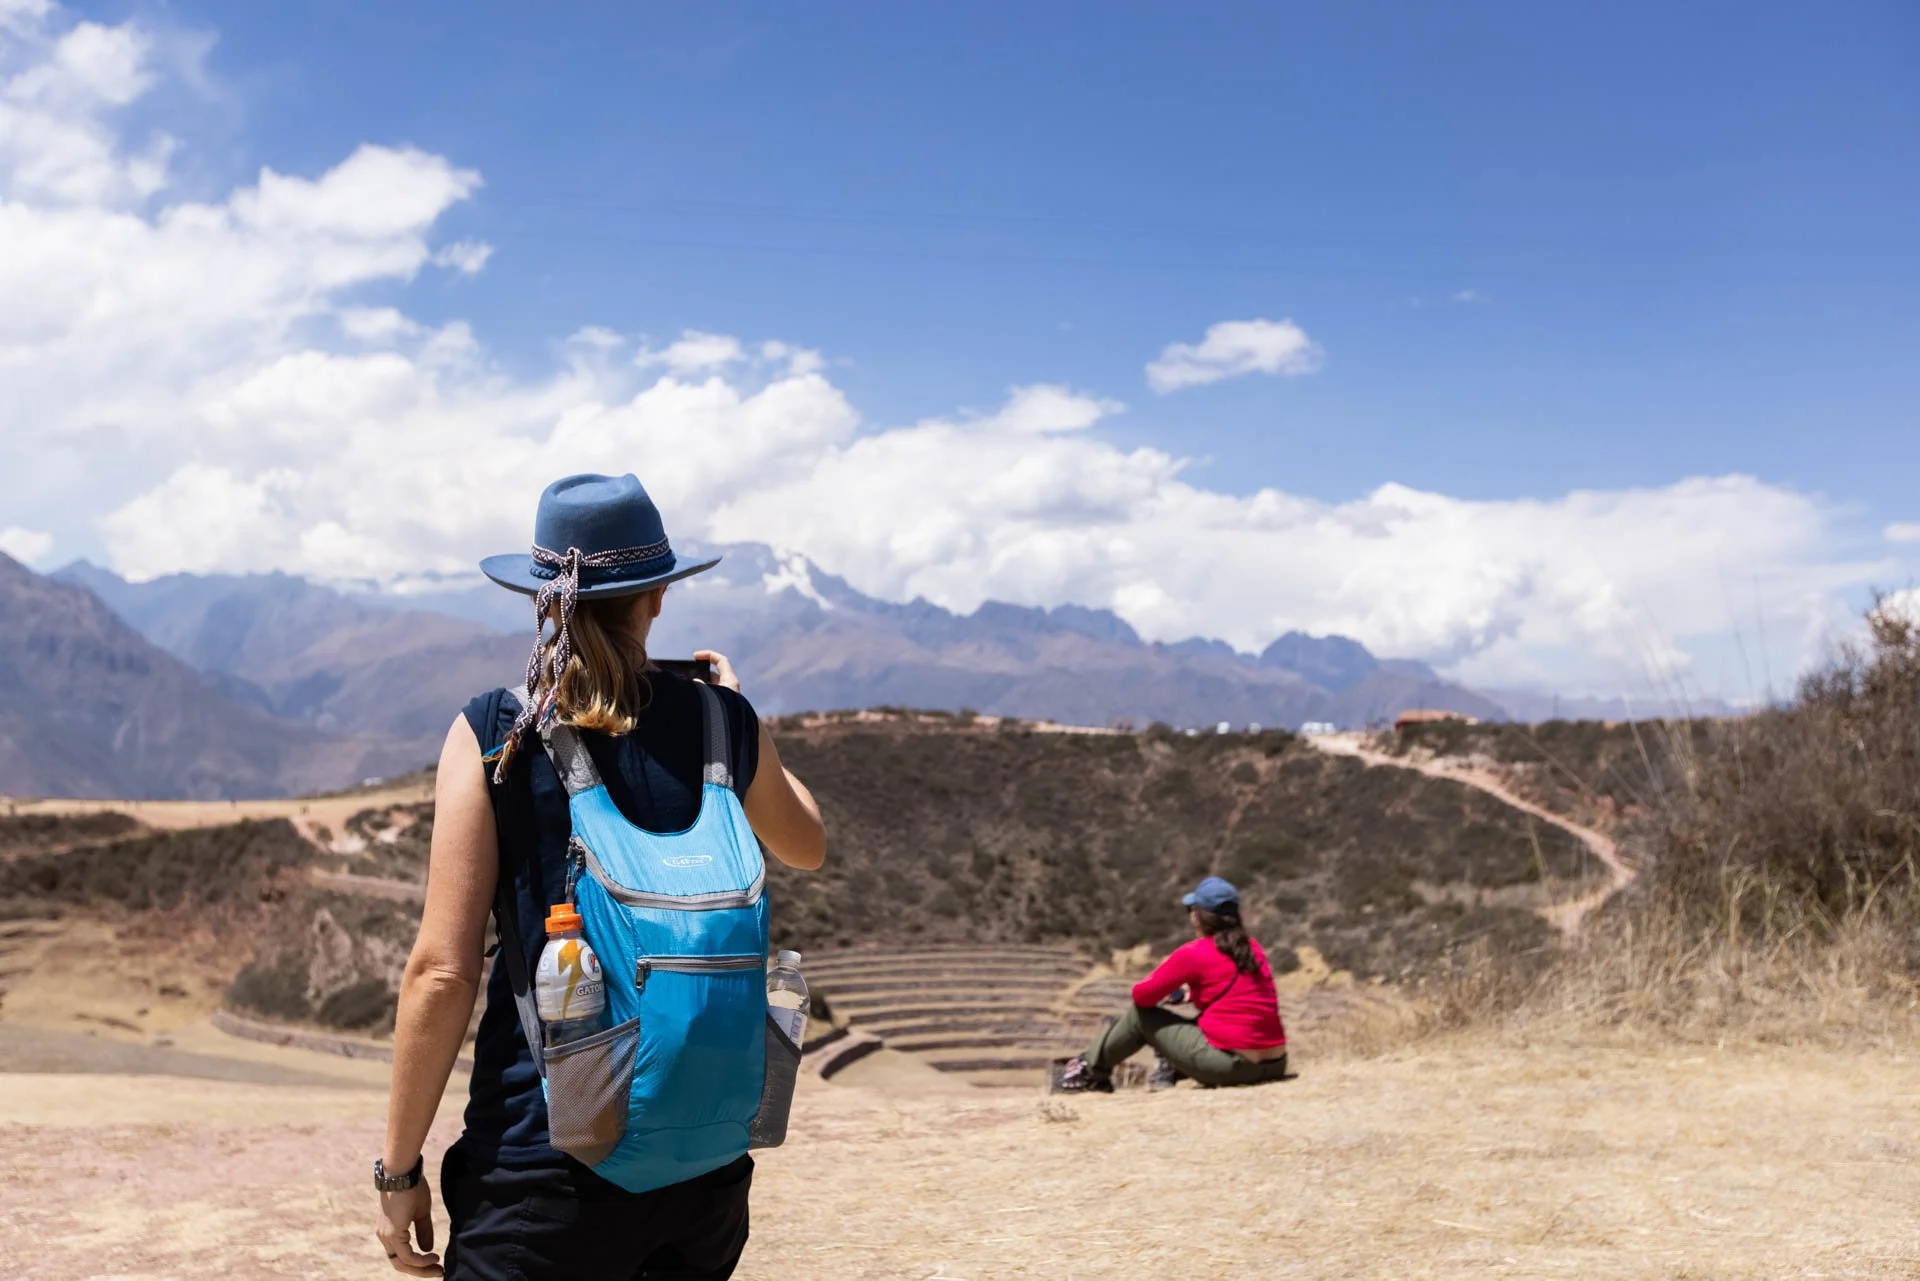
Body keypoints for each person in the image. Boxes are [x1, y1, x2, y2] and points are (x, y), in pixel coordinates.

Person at [374, 473, 827, 1280]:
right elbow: (808, 842)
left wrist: (400, 1170)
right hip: (704, 1178)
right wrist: (741, 711)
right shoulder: (725, 722)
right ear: (657, 596)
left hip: (540, 1177)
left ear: (542, 598)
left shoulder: (495, 731)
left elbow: (440, 972)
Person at [1054, 876, 1288, 1093]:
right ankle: (1168, 1068)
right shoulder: (1252, 948)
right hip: (1275, 1064)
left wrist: (1170, 973)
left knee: (1140, 1017)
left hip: (1232, 1067)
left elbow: (1141, 997)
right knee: (1200, 1023)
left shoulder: (1193, 953)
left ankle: (1090, 1071)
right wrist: (1191, 992)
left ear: (1198, 916)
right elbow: (1235, 997)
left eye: (1191, 910)